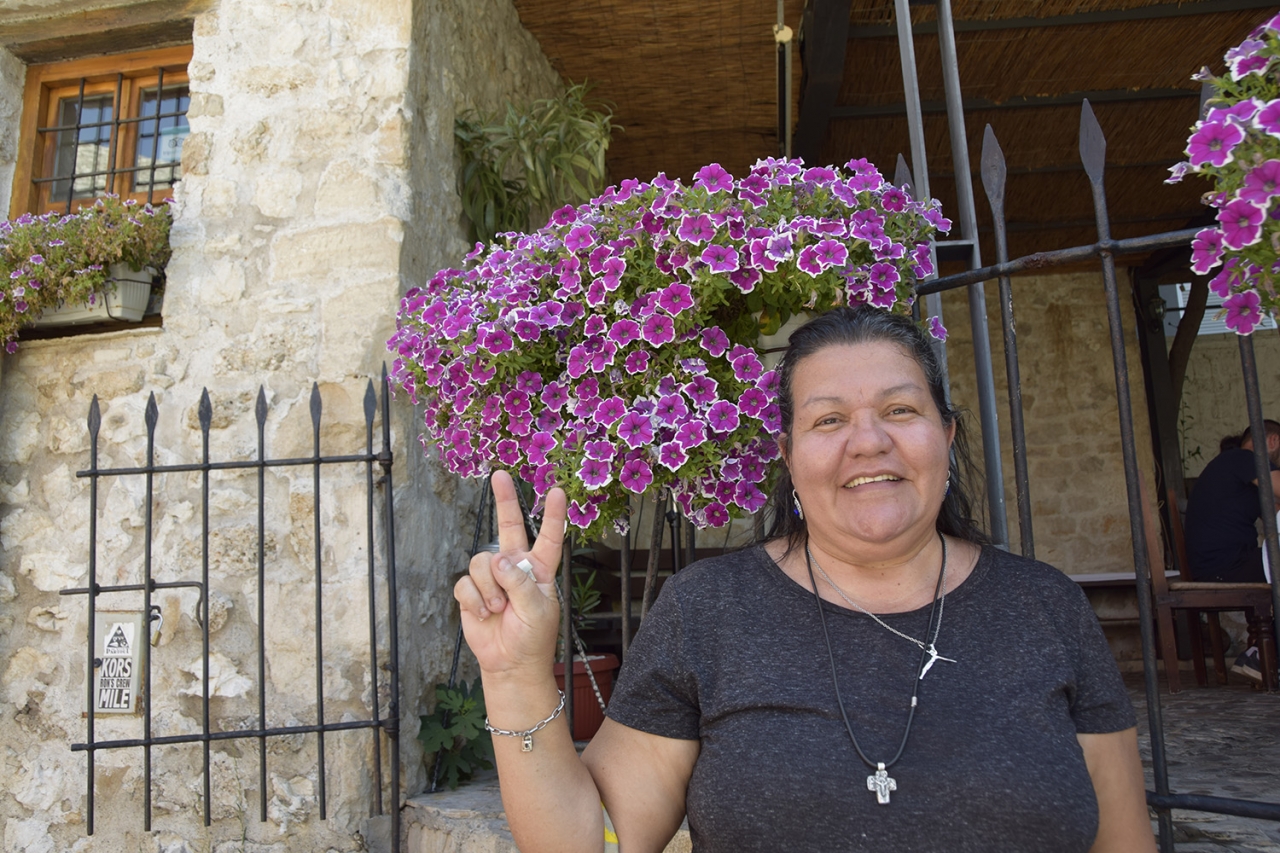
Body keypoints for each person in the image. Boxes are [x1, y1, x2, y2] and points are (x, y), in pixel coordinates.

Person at [455, 305, 1154, 853]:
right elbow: (590, 842)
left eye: (900, 410)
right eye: (829, 419)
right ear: (789, 456)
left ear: (946, 435)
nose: (868, 440)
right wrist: (515, 675)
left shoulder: (1045, 606)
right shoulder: (708, 611)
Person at [1183, 419, 1280, 683]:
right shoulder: (1242, 458)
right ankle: (1263, 654)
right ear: (1273, 441)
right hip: (1225, 567)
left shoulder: (1238, 471)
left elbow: (1275, 514)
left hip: (1226, 563)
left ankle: (1261, 654)